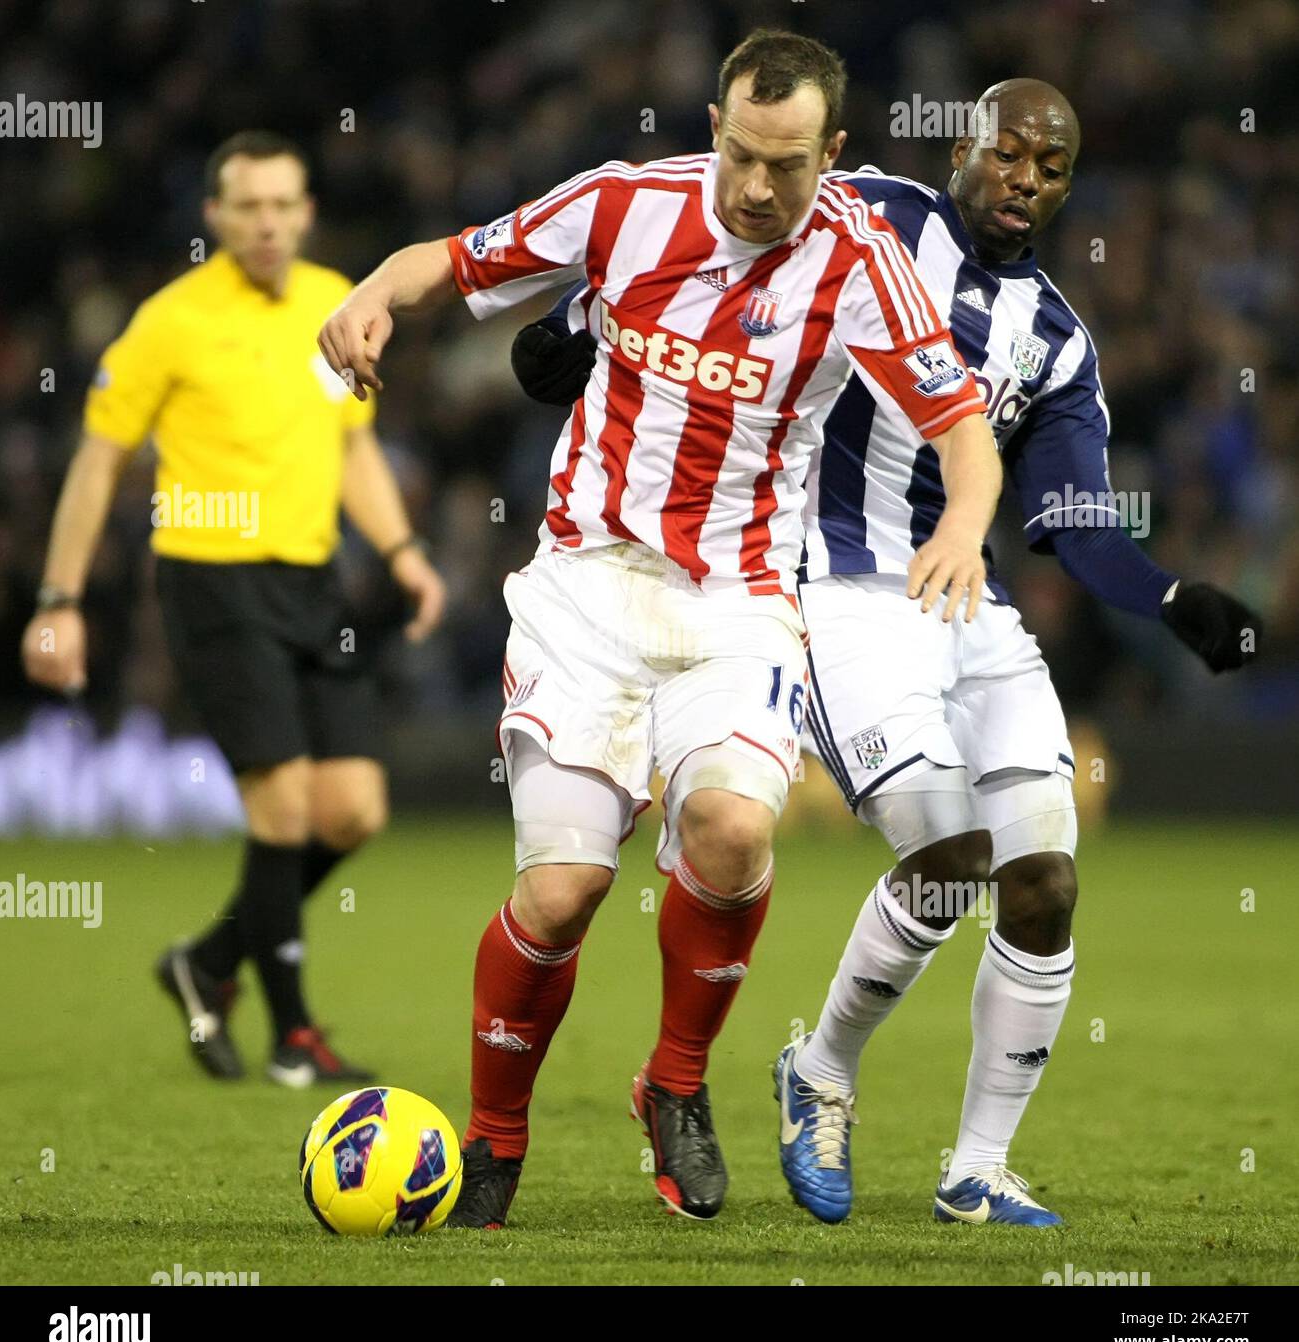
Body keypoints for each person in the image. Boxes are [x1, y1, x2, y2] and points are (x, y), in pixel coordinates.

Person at [511, 79, 1262, 1227]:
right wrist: (572, 331)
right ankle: (820, 1070)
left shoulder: (1055, 340)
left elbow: (1069, 516)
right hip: (826, 588)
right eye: (1008, 154)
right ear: (963, 146)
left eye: (1050, 169)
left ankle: (975, 1167)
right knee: (952, 851)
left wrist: (1168, 597)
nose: (1025, 181)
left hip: (964, 595)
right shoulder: (858, 213)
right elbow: (699, 256)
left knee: (1045, 880)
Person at [319, 28, 1003, 1226]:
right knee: (564, 893)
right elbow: (454, 259)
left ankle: (674, 1083)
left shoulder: (858, 261)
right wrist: (373, 291)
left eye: (787, 167)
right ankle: (494, 1136)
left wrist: (961, 531)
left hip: (738, 597)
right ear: (713, 124)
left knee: (733, 829)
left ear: (832, 154)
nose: (755, 186)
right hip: (586, 584)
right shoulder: (624, 205)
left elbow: (963, 432)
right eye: (741, 153)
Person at [21, 131, 446, 1088]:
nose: (268, 223)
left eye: (285, 204)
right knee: (284, 805)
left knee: (352, 809)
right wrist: (60, 600)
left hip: (310, 583)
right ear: (213, 216)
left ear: (306, 211)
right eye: (248, 206)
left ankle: (208, 965)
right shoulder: (170, 322)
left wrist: (404, 553)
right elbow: (97, 461)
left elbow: (351, 450)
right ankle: (295, 1038)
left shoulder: (333, 305)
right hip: (211, 579)